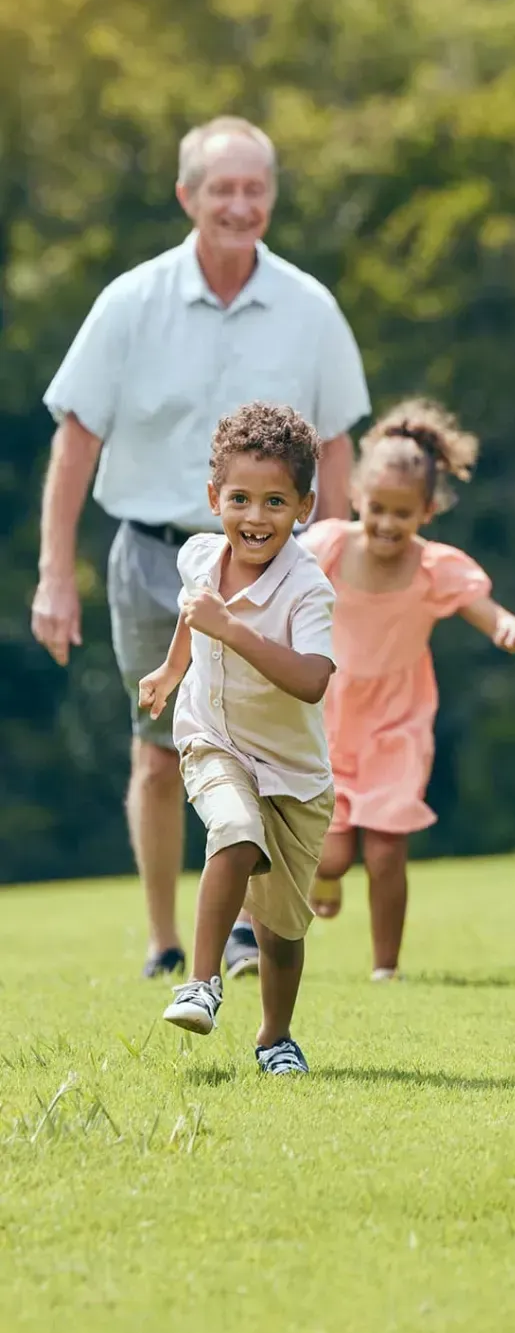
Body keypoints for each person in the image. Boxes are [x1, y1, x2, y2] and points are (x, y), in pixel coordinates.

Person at [32, 115, 369, 982]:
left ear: (272, 198)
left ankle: (253, 936)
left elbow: (336, 448)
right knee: (158, 745)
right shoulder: (130, 303)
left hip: (281, 561)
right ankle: (162, 941)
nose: (241, 204)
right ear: (188, 196)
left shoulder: (310, 308)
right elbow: (76, 441)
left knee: (267, 741)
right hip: (153, 557)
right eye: (223, 188)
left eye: (256, 188)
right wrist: (52, 578)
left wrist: (334, 553)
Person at [137, 403, 338, 1075]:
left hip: (294, 775)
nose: (256, 517)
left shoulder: (308, 588)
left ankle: (275, 1037)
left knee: (282, 931)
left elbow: (312, 681)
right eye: (241, 499)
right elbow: (196, 614)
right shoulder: (200, 555)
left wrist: (235, 631)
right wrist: (171, 670)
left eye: (276, 501)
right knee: (233, 830)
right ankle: (202, 981)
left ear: (304, 505)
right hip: (213, 740)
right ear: (213, 498)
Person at [303, 400, 515, 979]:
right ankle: (325, 876)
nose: (385, 525)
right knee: (330, 851)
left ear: (427, 510)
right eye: (376, 508)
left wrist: (505, 625)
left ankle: (387, 966)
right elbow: (276, 585)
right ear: (356, 495)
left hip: (397, 724)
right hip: (328, 714)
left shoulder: (434, 569)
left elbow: (481, 608)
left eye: (401, 514)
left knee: (386, 849)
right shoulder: (329, 546)